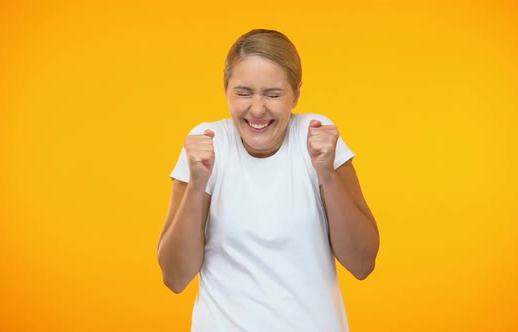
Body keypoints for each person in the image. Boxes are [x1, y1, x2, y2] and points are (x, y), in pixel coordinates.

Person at [157, 29, 380, 331]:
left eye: (273, 94)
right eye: (244, 92)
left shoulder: (316, 136)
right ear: (226, 89)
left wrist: (326, 173)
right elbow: (174, 277)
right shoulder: (208, 144)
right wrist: (196, 185)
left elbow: (362, 264)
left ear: (295, 95)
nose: (258, 109)